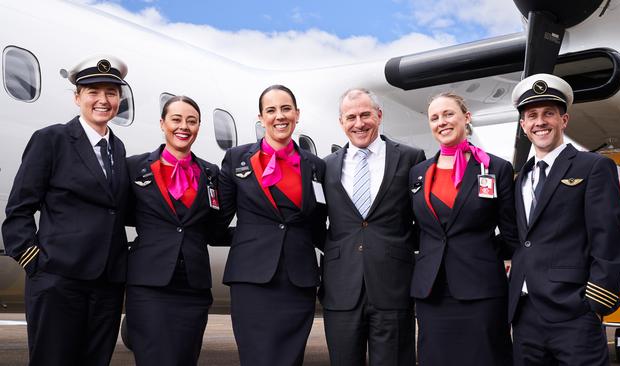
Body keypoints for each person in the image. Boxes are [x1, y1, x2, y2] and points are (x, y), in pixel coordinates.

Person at [1, 55, 130, 366]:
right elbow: (19, 208)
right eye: (93, 92)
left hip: (106, 285)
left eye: (111, 93)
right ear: (77, 97)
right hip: (58, 279)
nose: (103, 100)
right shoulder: (52, 139)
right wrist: (38, 265)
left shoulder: (118, 148)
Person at [508, 73, 620, 365]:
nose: (540, 122)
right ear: (523, 125)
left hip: (573, 313)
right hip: (525, 315)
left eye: (549, 113)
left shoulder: (594, 166)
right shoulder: (520, 177)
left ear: (564, 120)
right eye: (532, 115)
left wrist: (596, 303)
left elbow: (609, 239)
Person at [218, 84, 327, 366]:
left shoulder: (315, 166)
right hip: (252, 276)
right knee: (256, 356)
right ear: (261, 117)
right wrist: (248, 236)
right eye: (271, 110)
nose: (279, 116)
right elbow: (218, 222)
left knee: (291, 357)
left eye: (286, 108)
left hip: (298, 277)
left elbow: (317, 227)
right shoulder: (235, 159)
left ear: (297, 113)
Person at [409, 92, 517, 365]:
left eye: (448, 114)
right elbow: (417, 229)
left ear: (466, 118)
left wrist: (483, 253)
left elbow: (511, 232)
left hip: (480, 289)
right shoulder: (418, 172)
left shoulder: (495, 168)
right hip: (432, 291)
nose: (441, 122)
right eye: (434, 118)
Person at [320, 88, 425, 366]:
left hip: (393, 285)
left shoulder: (411, 158)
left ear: (379, 115)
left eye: (365, 114)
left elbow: (422, 218)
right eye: (350, 117)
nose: (359, 123)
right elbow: (317, 222)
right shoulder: (325, 167)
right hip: (342, 287)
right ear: (341, 122)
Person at [125, 96, 228, 365]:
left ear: (198, 127)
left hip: (193, 286)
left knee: (186, 357)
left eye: (191, 121)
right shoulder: (135, 167)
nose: (184, 126)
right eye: (176, 119)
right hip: (149, 283)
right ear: (162, 124)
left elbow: (214, 227)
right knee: (151, 356)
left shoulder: (210, 173)